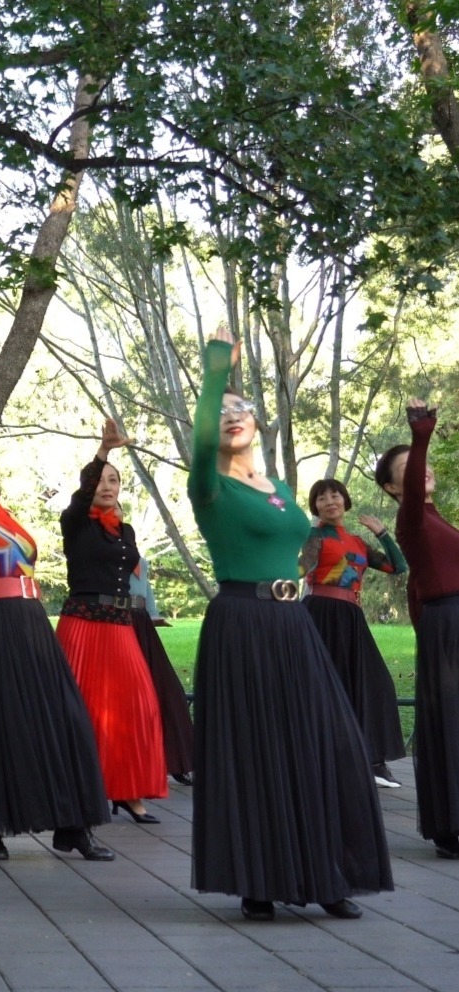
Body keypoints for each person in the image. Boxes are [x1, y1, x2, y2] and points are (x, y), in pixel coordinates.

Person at [189, 327, 390, 921]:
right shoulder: (210, 486)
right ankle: (259, 877)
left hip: (293, 622)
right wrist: (217, 369)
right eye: (221, 412)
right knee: (256, 749)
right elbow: (203, 438)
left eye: (240, 409)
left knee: (325, 741)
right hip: (241, 622)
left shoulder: (279, 488)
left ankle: (328, 873)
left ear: (256, 421)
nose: (230, 418)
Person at [0, 387, 113, 863]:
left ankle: (73, 824)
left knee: (64, 719)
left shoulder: (6, 515)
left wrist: (101, 453)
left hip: (32, 621)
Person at [55, 421, 166, 824]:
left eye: (113, 479)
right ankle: (86, 791)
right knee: (84, 709)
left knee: (139, 705)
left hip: (120, 624)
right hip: (82, 623)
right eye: (101, 479)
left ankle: (128, 789)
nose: (106, 484)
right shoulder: (76, 522)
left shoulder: (127, 531)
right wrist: (103, 451)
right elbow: (84, 490)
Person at [378, 400, 459, 859]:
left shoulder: (435, 518)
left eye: (421, 464)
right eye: (409, 469)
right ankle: (451, 824)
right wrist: (421, 433)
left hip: (447, 624)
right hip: (448, 626)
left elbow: (418, 585)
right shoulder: (410, 515)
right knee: (451, 724)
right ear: (393, 488)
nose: (421, 471)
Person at [299, 478, 407, 789]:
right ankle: (318, 760)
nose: (329, 501)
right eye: (321, 497)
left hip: (351, 617)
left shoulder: (358, 542)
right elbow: (302, 567)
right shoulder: (315, 535)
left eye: (335, 495)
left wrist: (382, 533)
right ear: (315, 506)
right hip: (320, 613)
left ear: (345, 501)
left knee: (375, 685)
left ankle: (371, 760)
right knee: (322, 686)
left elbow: (396, 567)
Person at [128, 562, 194, 786]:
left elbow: (144, 585)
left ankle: (176, 761)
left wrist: (153, 614)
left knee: (167, 690)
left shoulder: (132, 547)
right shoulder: (96, 544)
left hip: (141, 622)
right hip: (115, 620)